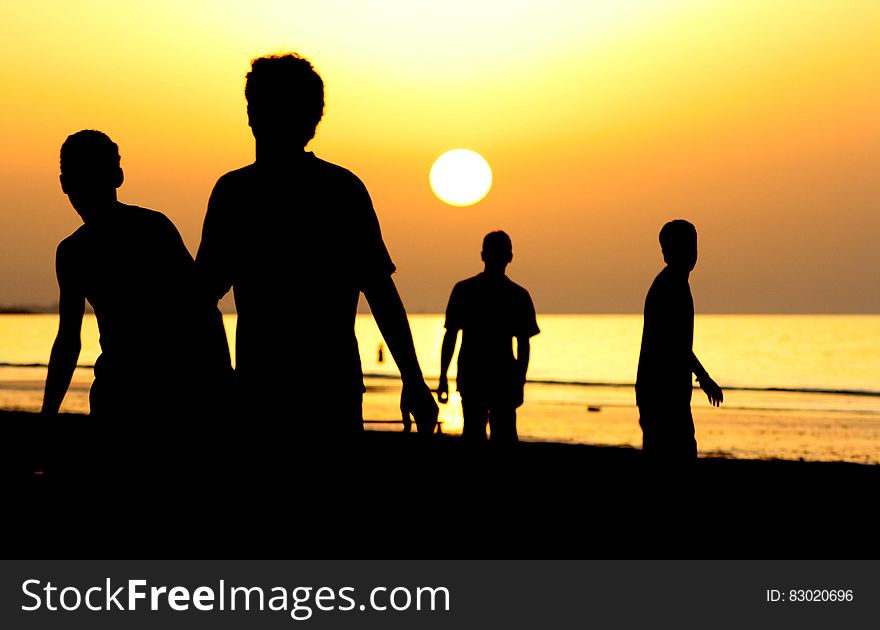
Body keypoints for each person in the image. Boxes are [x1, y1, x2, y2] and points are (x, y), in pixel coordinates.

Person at [195, 53, 437, 437]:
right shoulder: (336, 189)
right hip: (298, 392)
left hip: (290, 392)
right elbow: (380, 292)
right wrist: (413, 379)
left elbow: (200, 296)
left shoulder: (240, 192)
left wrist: (414, 379)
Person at [42, 130, 232, 420]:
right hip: (134, 395)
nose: (87, 187)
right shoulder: (148, 229)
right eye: (82, 176)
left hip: (149, 394)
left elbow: (201, 307)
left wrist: (48, 414)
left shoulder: (80, 249)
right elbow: (202, 307)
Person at [437, 231, 539, 444]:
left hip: (477, 375)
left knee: (477, 435)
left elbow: (450, 337)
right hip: (498, 377)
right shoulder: (518, 295)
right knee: (501, 437)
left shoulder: (465, 290)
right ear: (510, 257)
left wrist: (443, 376)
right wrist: (520, 380)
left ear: (483, 255)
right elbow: (523, 345)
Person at [636, 219, 723, 461]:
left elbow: (679, 345)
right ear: (667, 252)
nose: (692, 253)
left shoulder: (676, 284)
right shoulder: (669, 287)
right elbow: (675, 345)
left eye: (694, 245)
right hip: (661, 393)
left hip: (666, 391)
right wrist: (704, 378)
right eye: (685, 246)